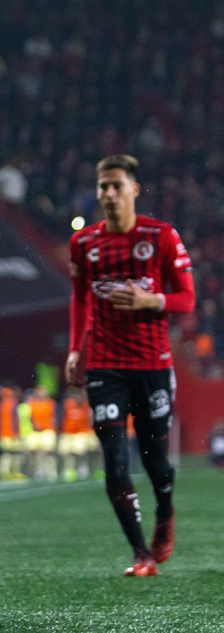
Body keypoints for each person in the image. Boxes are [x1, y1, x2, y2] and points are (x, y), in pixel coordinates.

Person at [65, 154, 195, 577]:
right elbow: (81, 297)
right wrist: (75, 349)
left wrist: (149, 300)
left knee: (155, 459)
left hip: (152, 364)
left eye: (116, 185)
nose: (108, 193)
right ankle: (141, 553)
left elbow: (186, 298)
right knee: (115, 460)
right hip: (105, 365)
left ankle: (165, 509)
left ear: (134, 190)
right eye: (102, 186)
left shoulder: (160, 236)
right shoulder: (84, 243)